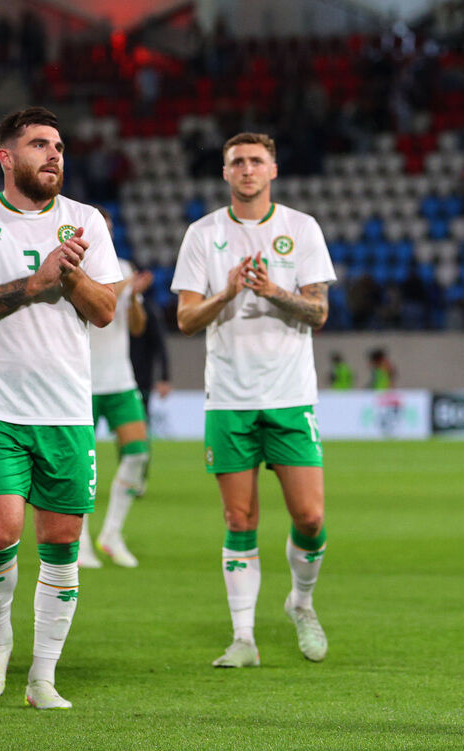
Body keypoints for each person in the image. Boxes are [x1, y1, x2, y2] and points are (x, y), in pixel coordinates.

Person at [0, 106, 120, 710]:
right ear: (6, 157)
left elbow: (104, 310)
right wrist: (37, 284)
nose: (54, 155)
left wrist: (67, 277)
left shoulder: (85, 220)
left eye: (60, 146)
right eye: (40, 144)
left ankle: (42, 676)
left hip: (66, 407)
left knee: (62, 545)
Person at [172, 132, 336, 668]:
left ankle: (301, 603)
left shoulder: (301, 228)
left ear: (273, 169)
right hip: (229, 399)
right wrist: (228, 291)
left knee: (309, 518)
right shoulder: (203, 234)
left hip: (290, 398)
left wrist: (270, 292)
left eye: (256, 161)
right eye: (237, 162)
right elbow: (186, 319)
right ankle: (243, 638)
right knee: (239, 519)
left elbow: (319, 312)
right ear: (225, 172)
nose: (247, 169)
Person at [78, 207, 150, 569]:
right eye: (98, 228)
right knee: (82, 465)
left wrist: (134, 297)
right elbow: (95, 308)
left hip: (120, 379)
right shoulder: (75, 268)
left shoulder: (122, 265)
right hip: (82, 381)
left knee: (137, 454)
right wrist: (126, 285)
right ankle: (80, 542)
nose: (104, 233)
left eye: (107, 228)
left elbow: (136, 328)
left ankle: (111, 533)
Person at [128, 272, 171, 418]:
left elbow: (160, 345)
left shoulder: (149, 309)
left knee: (140, 423)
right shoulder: (112, 308)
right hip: (113, 377)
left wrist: (164, 377)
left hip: (141, 378)